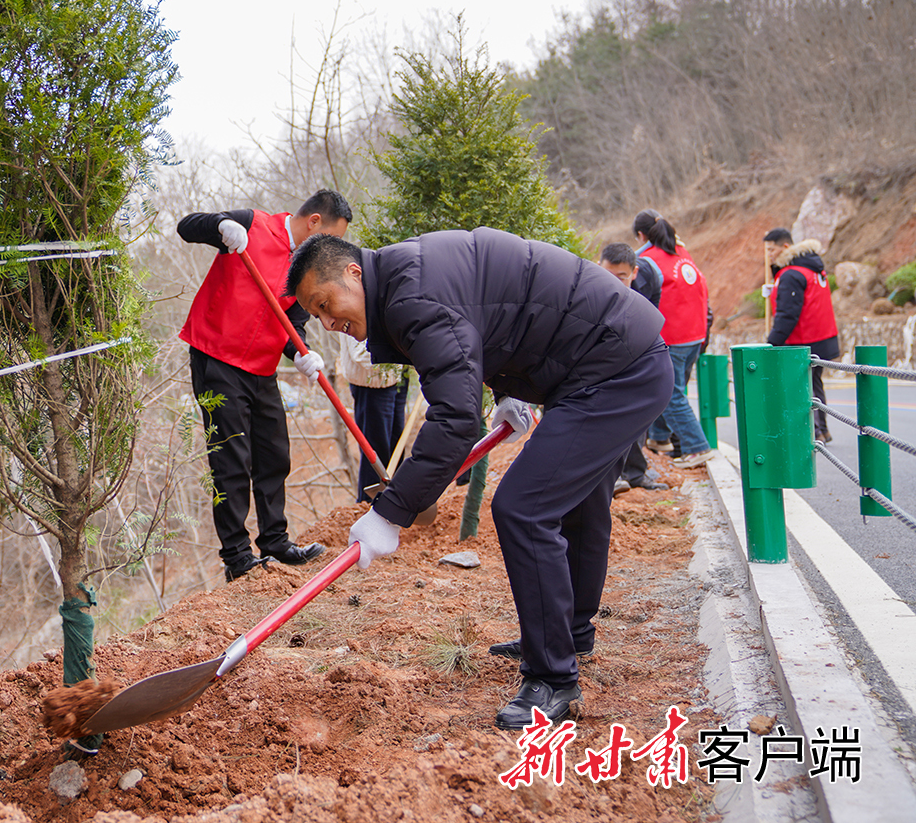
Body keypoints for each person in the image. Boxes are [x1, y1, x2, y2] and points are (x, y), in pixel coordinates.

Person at [285, 229, 672, 729]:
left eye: (324, 303)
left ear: (353, 273)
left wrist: (390, 512)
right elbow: (491, 320)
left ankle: (553, 678)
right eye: (316, 316)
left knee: (524, 508)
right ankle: (567, 636)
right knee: (578, 503)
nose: (329, 322)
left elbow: (454, 419)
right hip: (606, 359)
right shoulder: (408, 276)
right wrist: (510, 387)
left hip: (617, 369)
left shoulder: (411, 296)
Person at [178, 189, 352, 582]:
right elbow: (187, 226)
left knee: (274, 453)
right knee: (231, 460)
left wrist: (303, 353)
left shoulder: (302, 267)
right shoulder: (252, 225)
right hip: (217, 358)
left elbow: (293, 325)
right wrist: (220, 225)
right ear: (313, 223)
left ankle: (275, 539)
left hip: (261, 368)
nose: (328, 248)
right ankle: (237, 556)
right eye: (328, 237)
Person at [633, 210, 717, 468]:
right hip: (694, 336)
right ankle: (660, 439)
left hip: (670, 337)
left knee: (669, 394)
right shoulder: (684, 255)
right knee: (673, 390)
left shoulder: (645, 261)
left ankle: (697, 447)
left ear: (640, 235)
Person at [599, 243, 668, 494]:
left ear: (634, 273)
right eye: (608, 275)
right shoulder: (589, 288)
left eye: (622, 277)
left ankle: (634, 474)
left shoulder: (647, 287)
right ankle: (610, 476)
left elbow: (652, 318)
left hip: (636, 349)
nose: (615, 282)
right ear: (598, 268)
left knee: (637, 414)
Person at [763, 228, 841, 443]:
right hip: (822, 337)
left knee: (801, 387)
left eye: (772, 249)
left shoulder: (791, 274)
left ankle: (813, 431)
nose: (769, 254)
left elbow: (787, 315)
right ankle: (822, 429)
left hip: (802, 340)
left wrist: (772, 343)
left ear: (785, 247)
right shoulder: (812, 268)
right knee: (814, 384)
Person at [336, 336, 406, 502]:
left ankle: (394, 508)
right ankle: (368, 510)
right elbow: (361, 353)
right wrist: (398, 353)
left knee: (397, 449)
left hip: (396, 374)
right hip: (371, 381)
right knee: (375, 457)